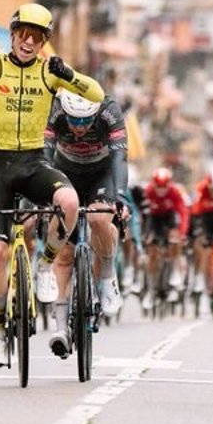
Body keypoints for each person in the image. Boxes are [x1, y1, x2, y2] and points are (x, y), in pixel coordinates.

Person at [0, 3, 103, 367]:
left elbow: (96, 94)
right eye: (23, 35)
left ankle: (44, 265)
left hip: (33, 162)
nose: (28, 42)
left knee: (69, 203)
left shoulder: (48, 72)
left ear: (44, 42)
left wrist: (68, 74)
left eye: (37, 38)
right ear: (12, 35)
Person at [43, 90, 128, 318]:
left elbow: (120, 157)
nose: (79, 127)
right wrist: (44, 191)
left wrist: (120, 195)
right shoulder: (55, 108)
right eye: (73, 120)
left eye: (85, 121)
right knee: (64, 254)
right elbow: (45, 154)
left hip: (101, 175)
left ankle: (108, 276)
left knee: (98, 218)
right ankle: (61, 322)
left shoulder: (109, 110)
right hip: (65, 172)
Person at [142, 166, 189, 311]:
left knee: (175, 238)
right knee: (152, 249)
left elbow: (183, 212)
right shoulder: (148, 191)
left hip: (170, 217)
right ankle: (151, 289)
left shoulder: (175, 192)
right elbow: (141, 213)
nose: (161, 190)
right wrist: (144, 235)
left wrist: (182, 233)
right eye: (158, 186)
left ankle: (174, 270)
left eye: (164, 187)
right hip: (154, 218)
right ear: (153, 184)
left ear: (169, 184)